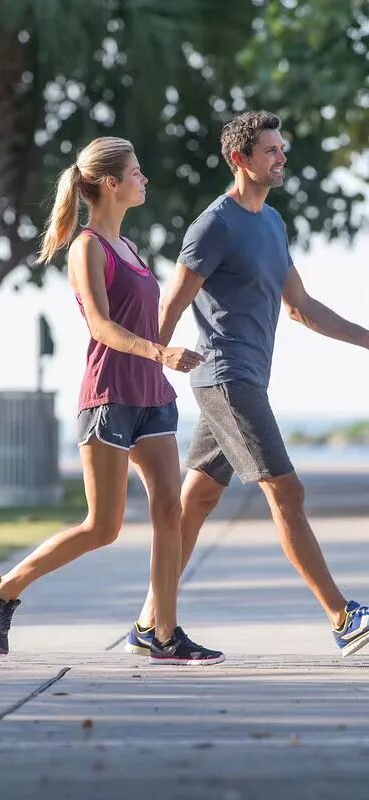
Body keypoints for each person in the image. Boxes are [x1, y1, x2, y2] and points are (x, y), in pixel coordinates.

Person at [0, 136, 225, 666]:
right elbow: (102, 327)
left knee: (169, 515)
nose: (143, 179)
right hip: (109, 397)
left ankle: (163, 632)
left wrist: (163, 360)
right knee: (102, 527)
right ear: (110, 183)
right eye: (135, 172)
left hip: (152, 395)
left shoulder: (130, 248)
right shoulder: (89, 247)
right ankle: (1, 591)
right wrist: (161, 350)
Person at [128, 110, 369, 658]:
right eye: (271, 151)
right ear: (240, 159)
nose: (282, 158)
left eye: (282, 149)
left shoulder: (273, 223)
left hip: (243, 380)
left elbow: (301, 308)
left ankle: (148, 623)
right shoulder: (214, 225)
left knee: (197, 502)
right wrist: (148, 369)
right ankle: (342, 617)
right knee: (287, 491)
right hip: (225, 379)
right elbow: (173, 301)